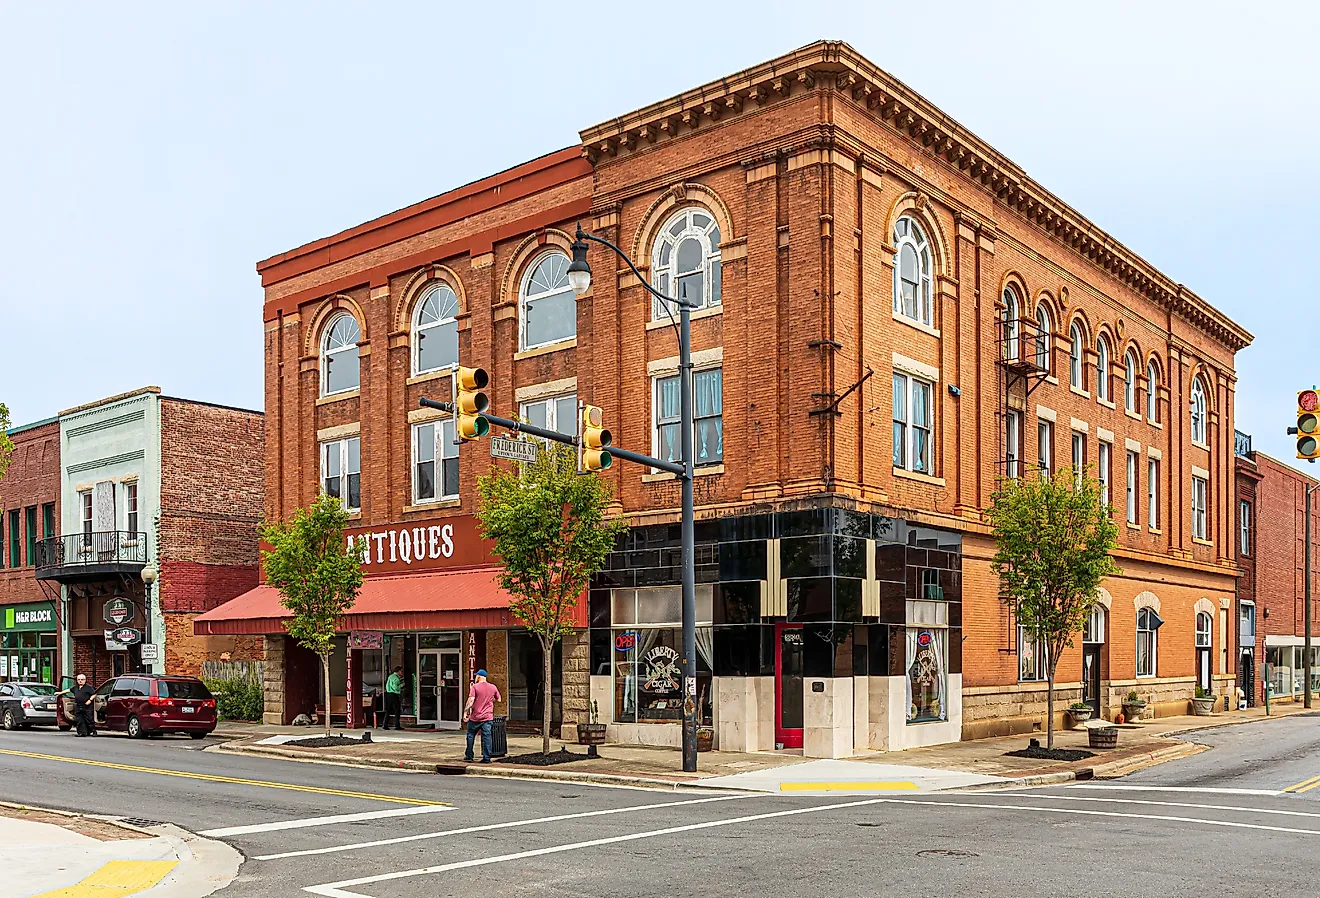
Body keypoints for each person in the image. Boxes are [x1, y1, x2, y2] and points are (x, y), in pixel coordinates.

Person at [462, 669, 501, 763]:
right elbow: (499, 699)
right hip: (487, 717)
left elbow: (471, 700)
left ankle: (469, 756)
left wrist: (465, 712)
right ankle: (487, 758)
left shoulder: (475, 687)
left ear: (479, 676)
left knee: (470, 735)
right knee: (487, 737)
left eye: (476, 676)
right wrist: (490, 700)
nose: (475, 677)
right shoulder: (493, 687)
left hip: (475, 717)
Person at [383, 666, 403, 730]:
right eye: (401, 671)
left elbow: (387, 685)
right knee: (397, 710)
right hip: (394, 695)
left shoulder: (390, 676)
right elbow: (395, 687)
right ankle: (397, 725)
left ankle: (385, 724)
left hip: (388, 694)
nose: (402, 673)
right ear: (398, 671)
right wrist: (402, 685)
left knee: (388, 710)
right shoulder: (396, 678)